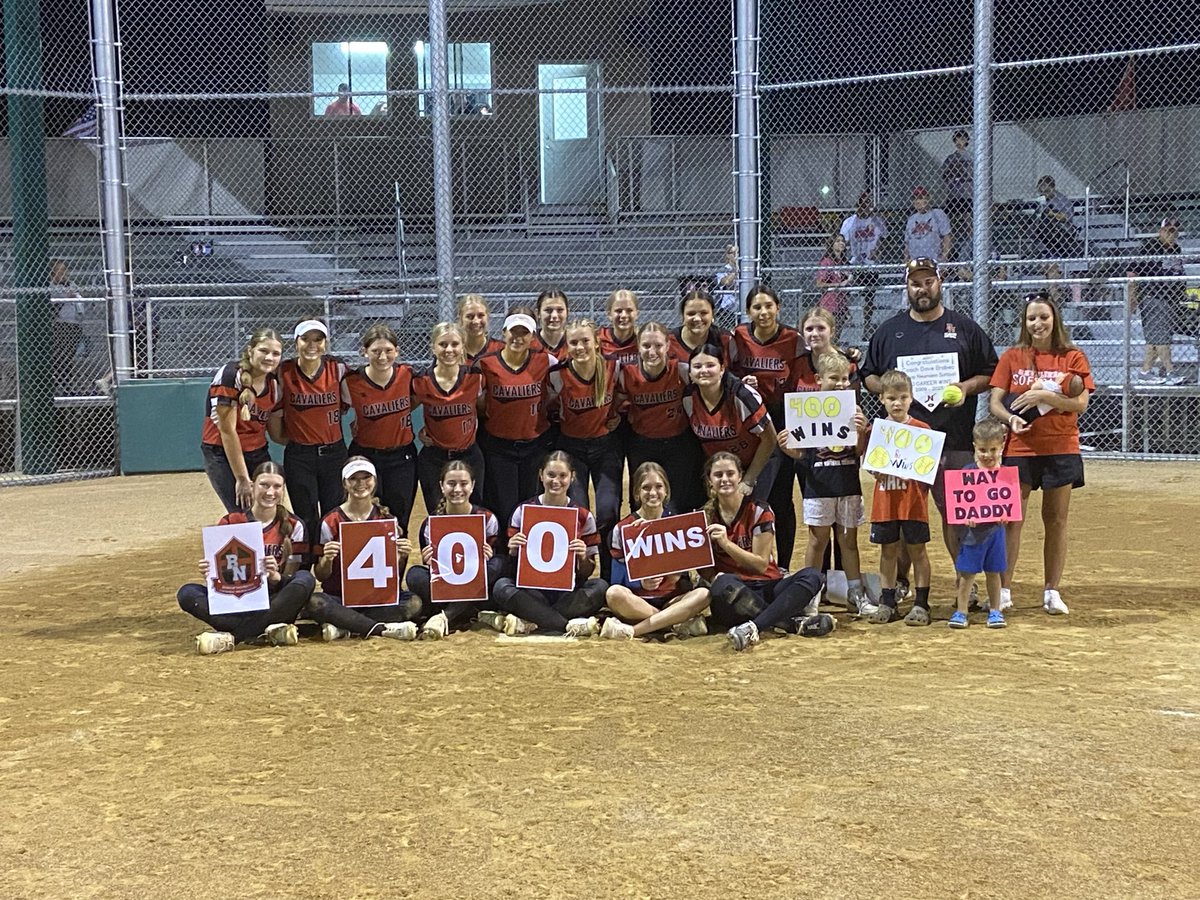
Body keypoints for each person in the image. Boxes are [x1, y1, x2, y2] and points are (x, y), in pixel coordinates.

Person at [860, 258, 998, 599]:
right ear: (907, 287)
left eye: (929, 281)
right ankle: (903, 584)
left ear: (940, 282)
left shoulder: (964, 328)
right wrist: (888, 391)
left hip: (953, 438)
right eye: (916, 283)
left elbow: (990, 372)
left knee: (956, 514)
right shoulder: (890, 331)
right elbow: (869, 375)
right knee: (905, 513)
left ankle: (966, 584)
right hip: (904, 441)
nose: (923, 288)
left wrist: (965, 388)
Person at [988, 291, 1094, 616]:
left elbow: (1081, 403)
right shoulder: (1012, 357)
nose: (1037, 323)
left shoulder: (1073, 356)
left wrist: (1043, 396)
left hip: (1061, 447)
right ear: (1024, 322)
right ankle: (1004, 589)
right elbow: (995, 402)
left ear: (1054, 320)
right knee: (1011, 520)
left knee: (1056, 520)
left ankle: (1052, 591)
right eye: (1031, 318)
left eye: (1043, 317)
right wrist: (1012, 419)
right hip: (1019, 447)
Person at [178, 461, 317, 654]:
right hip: (237, 601)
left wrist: (276, 577)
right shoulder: (231, 522)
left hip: (275, 601)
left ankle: (233, 637)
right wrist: (210, 572)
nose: (270, 492)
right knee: (187, 593)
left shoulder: (294, 525)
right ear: (252, 486)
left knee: (306, 580)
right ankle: (265, 630)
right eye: (264, 485)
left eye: (277, 486)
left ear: (283, 489)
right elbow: (222, 575)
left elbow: (293, 579)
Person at [699, 452, 833, 651]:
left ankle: (756, 625)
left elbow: (760, 565)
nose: (725, 479)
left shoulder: (760, 510)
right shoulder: (703, 517)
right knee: (723, 584)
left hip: (767, 584)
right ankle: (789, 623)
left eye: (730, 473)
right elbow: (702, 567)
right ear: (710, 481)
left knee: (813, 576)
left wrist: (727, 544)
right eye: (718, 475)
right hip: (733, 593)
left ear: (740, 477)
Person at [776, 353, 877, 617]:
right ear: (819, 379)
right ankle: (809, 595)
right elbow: (801, 455)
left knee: (849, 541)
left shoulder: (854, 410)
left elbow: (858, 453)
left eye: (845, 379)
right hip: (818, 485)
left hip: (848, 483)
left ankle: (856, 594)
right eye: (834, 378)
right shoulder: (806, 410)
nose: (841, 384)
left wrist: (861, 431)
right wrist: (788, 447)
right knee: (817, 541)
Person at [490, 451, 609, 636]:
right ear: (541, 475)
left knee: (600, 587)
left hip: (567, 592)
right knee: (501, 587)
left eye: (563, 476)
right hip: (532, 591)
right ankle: (566, 624)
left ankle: (532, 619)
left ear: (572, 477)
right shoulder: (523, 512)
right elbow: (515, 569)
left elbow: (587, 572)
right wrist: (513, 551)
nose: (556, 481)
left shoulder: (584, 516)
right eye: (551, 475)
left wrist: (583, 556)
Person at [729, 284, 804, 568]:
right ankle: (747, 560)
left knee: (782, 497)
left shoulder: (792, 339)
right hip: (749, 420)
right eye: (757, 307)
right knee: (751, 495)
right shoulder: (740, 337)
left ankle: (783, 564)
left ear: (778, 308)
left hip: (782, 417)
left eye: (768, 306)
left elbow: (808, 372)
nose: (763, 312)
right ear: (749, 311)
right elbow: (728, 372)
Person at [306, 457, 421, 640]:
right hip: (340, 597)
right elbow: (321, 575)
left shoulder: (387, 520)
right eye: (354, 479)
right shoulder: (330, 521)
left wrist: (399, 557)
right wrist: (327, 559)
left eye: (366, 478)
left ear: (375, 481)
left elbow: (393, 576)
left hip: (377, 599)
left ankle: (345, 627)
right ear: (344, 483)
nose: (360, 484)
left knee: (414, 602)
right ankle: (381, 628)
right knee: (315, 602)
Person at [473, 310, 556, 549]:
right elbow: (477, 401)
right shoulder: (486, 364)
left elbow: (557, 392)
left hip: (534, 445)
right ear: (503, 334)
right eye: (513, 332)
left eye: (524, 333)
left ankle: (533, 563)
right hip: (499, 446)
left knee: (531, 505)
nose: (518, 338)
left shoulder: (545, 361)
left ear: (533, 337)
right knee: (504, 506)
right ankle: (504, 563)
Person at [602, 462, 712, 640]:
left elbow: (686, 575)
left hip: (671, 600)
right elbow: (616, 579)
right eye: (646, 488)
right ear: (637, 493)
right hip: (638, 602)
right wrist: (639, 583)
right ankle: (673, 622)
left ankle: (636, 630)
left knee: (704, 594)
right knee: (613, 594)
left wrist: (677, 573)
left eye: (658, 486)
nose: (653, 493)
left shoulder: (680, 525)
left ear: (666, 491)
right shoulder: (623, 529)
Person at [547, 319, 621, 579]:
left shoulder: (613, 367)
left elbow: (626, 393)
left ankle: (609, 579)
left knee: (608, 510)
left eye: (585, 341)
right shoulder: (559, 374)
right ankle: (574, 577)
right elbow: (546, 405)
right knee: (576, 513)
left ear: (597, 342)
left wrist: (618, 414)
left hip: (605, 446)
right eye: (574, 342)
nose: (579, 347)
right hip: (572, 449)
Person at [863, 370, 934, 626]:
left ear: (911, 398)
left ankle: (921, 603)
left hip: (913, 502)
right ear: (881, 398)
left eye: (903, 397)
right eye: (891, 397)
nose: (897, 403)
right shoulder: (877, 430)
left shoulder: (922, 430)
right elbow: (870, 464)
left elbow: (928, 468)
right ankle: (888, 601)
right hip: (886, 502)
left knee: (918, 551)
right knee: (888, 551)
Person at [404, 460, 505, 639]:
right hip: (447, 584)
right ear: (442, 486)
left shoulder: (487, 519)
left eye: (463, 483)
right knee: (414, 575)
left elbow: (492, 565)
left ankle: (445, 617)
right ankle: (471, 613)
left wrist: (487, 557)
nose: (457, 489)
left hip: (476, 585)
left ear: (473, 486)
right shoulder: (431, 523)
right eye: (451, 483)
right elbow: (434, 574)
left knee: (498, 564)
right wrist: (429, 560)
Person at [617, 321, 705, 514]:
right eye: (646, 346)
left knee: (675, 503)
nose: (652, 351)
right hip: (642, 443)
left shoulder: (681, 370)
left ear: (667, 346)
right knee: (641, 502)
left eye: (658, 345)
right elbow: (616, 403)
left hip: (677, 442)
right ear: (638, 347)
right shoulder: (628, 374)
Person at [278, 319, 348, 556]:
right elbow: (275, 415)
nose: (312, 345)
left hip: (334, 453)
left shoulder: (337, 369)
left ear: (325, 343)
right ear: (295, 342)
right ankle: (305, 573)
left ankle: (335, 573)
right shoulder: (284, 371)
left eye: (318, 339)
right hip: (300, 455)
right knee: (306, 515)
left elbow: (347, 404)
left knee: (334, 514)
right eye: (305, 339)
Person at [341, 324, 417, 541]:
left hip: (401, 457)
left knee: (399, 522)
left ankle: (394, 573)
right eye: (375, 351)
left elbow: (422, 399)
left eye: (388, 350)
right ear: (364, 352)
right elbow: (338, 408)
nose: (382, 356)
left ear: (397, 351)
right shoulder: (351, 381)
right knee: (362, 517)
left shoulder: (408, 375)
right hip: (365, 455)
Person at [200, 327, 286, 513]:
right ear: (250, 351)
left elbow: (275, 432)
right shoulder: (231, 376)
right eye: (263, 351)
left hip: (257, 451)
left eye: (275, 353)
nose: (269, 358)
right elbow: (227, 431)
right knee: (243, 511)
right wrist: (242, 478)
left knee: (269, 507)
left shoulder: (274, 384)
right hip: (222, 451)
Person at [682, 343, 778, 507]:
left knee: (750, 509)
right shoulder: (689, 398)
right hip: (723, 468)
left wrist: (748, 479)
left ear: (722, 369)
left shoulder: (741, 395)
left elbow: (770, 439)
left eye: (710, 365)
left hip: (757, 460)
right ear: (690, 373)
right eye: (697, 366)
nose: (703, 370)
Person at [412, 322, 486, 511]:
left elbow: (486, 409)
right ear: (433, 347)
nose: (449, 350)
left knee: (473, 513)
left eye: (455, 344)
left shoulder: (475, 377)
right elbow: (402, 410)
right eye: (443, 344)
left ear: (463, 346)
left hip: (469, 455)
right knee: (437, 514)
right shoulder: (421, 381)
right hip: (435, 458)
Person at [948, 418, 1011, 630]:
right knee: (967, 574)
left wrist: (1005, 515)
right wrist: (967, 515)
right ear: (975, 447)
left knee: (994, 573)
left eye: (993, 449)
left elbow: (1009, 503)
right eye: (983, 450)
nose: (988, 455)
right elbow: (961, 503)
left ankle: (995, 610)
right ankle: (962, 611)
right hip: (972, 535)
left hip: (995, 533)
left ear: (1001, 446)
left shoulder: (1005, 474)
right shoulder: (968, 472)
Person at [1127, 217, 1187, 385]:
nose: (1171, 233)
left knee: (1155, 339)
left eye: (1175, 230)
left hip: (1170, 298)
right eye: (1168, 230)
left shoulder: (1176, 249)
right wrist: (1132, 299)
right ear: (1160, 231)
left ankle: (1145, 372)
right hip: (1153, 296)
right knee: (1161, 338)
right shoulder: (1150, 247)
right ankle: (1170, 372)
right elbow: (1133, 272)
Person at [839, 192, 888, 336]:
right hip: (854, 263)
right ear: (857, 205)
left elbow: (886, 240)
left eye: (868, 204)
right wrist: (844, 264)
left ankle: (866, 325)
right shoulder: (849, 222)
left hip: (871, 264)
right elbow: (842, 242)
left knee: (869, 295)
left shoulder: (877, 221)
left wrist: (878, 250)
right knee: (846, 291)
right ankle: (846, 316)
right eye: (862, 203)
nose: (865, 207)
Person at [667, 289, 732, 365]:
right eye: (691, 314)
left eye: (703, 313)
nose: (697, 318)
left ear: (713, 314)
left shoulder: (726, 340)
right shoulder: (668, 341)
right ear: (682, 316)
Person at [50, 259, 85, 392]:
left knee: (69, 355)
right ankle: (60, 384)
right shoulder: (51, 287)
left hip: (74, 323)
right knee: (60, 355)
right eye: (61, 271)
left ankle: (65, 384)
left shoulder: (71, 284)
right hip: (61, 324)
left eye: (65, 270)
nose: (64, 274)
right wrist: (65, 296)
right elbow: (52, 306)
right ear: (54, 273)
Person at [1033, 175, 1077, 282]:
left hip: (1060, 236)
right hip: (1044, 239)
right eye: (1042, 192)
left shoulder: (1062, 200)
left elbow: (1067, 217)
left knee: (1047, 223)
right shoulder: (1041, 202)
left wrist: (1052, 214)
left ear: (1053, 188)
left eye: (1047, 191)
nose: (1045, 194)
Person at [816, 233, 854, 334]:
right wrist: (838, 285)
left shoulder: (843, 262)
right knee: (830, 335)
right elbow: (819, 283)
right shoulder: (827, 262)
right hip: (829, 304)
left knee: (837, 335)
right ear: (831, 245)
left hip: (841, 303)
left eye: (842, 241)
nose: (841, 243)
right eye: (837, 241)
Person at [904, 186, 952, 263]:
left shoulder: (937, 214)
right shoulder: (911, 219)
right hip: (915, 261)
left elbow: (947, 237)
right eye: (915, 199)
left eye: (921, 198)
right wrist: (906, 259)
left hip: (933, 260)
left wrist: (944, 257)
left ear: (928, 199)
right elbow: (907, 243)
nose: (918, 202)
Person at [597, 288, 641, 367]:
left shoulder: (644, 341)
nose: (624, 315)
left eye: (629, 310)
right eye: (618, 311)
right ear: (609, 314)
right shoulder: (599, 339)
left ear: (637, 314)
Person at [457, 293, 504, 365]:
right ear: (460, 318)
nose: (476, 321)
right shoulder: (453, 352)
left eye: (481, 315)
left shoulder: (501, 349)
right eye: (469, 316)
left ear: (488, 316)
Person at [941, 129, 972, 233]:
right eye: (957, 140)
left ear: (966, 141)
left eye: (962, 139)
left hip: (968, 193)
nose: (959, 142)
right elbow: (944, 174)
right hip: (954, 192)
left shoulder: (972, 157)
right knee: (950, 220)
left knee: (968, 218)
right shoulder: (951, 158)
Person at [532, 288, 569, 357]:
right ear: (538, 313)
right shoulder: (530, 342)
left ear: (567, 312)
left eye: (560, 310)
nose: (554, 315)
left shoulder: (573, 341)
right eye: (548, 310)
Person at [713, 243, 740, 330]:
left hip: (741, 307)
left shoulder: (746, 269)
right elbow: (726, 282)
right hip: (727, 309)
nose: (737, 256)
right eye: (734, 253)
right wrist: (736, 270)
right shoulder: (723, 269)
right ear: (728, 255)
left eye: (738, 253)